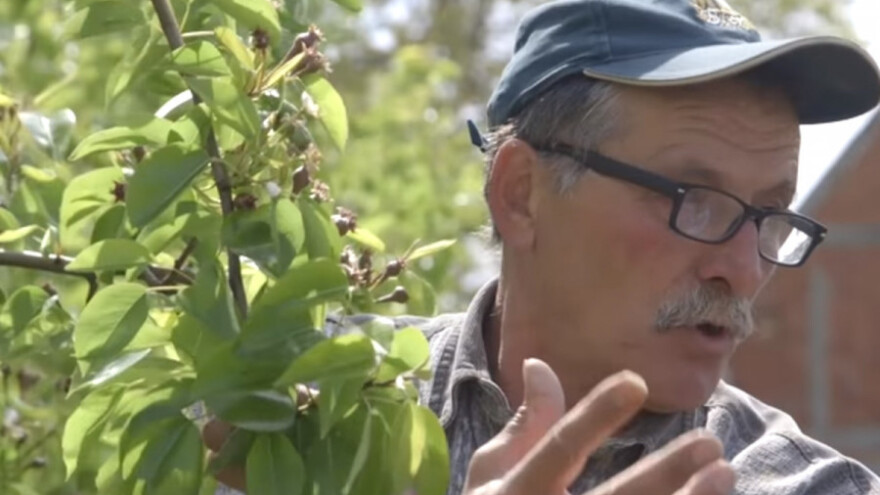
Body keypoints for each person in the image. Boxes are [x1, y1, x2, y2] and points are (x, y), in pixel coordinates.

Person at [206, 0, 880, 493]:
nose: (741, 268)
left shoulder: (806, 486)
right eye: (691, 199)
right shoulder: (301, 411)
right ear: (521, 193)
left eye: (769, 213)